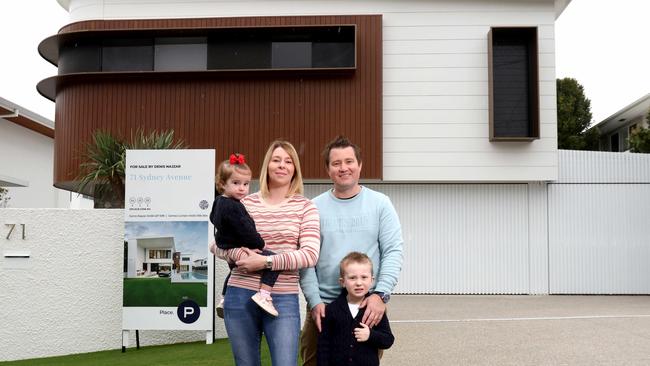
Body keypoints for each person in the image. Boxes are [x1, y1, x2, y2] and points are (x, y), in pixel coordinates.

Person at [300, 136, 404, 366]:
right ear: (327, 169)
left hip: (365, 308)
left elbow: (393, 251)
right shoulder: (313, 208)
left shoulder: (380, 204)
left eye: (349, 161)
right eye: (336, 163)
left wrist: (380, 295)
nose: (343, 168)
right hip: (322, 309)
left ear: (360, 165)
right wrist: (314, 301)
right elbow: (306, 261)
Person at [216, 140, 320, 366]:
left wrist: (264, 262)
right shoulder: (244, 202)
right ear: (267, 166)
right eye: (276, 160)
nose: (282, 165)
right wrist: (239, 256)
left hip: (282, 299)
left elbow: (310, 255)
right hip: (240, 294)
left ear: (295, 169)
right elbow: (217, 245)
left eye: (288, 161)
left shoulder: (306, 206)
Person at [210, 153, 280, 317]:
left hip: (227, 246)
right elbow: (246, 230)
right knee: (274, 261)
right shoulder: (235, 206)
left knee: (233, 271)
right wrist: (260, 245)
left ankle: (224, 298)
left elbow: (212, 218)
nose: (242, 188)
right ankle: (264, 295)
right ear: (222, 184)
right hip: (242, 246)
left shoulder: (219, 202)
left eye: (246, 184)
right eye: (236, 183)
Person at [317, 252, 394, 366]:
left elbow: (388, 340)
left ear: (371, 280)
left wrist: (370, 335)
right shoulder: (332, 310)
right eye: (352, 278)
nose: (359, 283)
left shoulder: (375, 310)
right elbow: (323, 346)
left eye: (364, 277)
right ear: (342, 282)